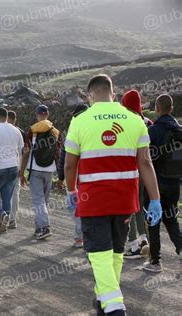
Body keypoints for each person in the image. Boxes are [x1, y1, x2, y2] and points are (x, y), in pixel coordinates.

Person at [64, 74, 161, 315]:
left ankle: (114, 306)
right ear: (113, 93)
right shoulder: (134, 120)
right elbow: (146, 163)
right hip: (125, 201)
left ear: (90, 95)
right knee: (116, 253)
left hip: (93, 201)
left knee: (98, 254)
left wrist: (71, 190)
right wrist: (156, 199)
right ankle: (101, 298)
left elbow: (69, 165)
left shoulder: (80, 121)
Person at [143, 94, 182, 273]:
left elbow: (146, 159)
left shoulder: (152, 131)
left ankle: (155, 262)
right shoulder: (179, 130)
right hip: (175, 183)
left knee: (153, 221)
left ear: (157, 109)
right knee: (171, 219)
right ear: (172, 108)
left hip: (155, 184)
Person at [20, 105, 61, 240]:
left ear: (37, 115)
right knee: (45, 200)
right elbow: (58, 153)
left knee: (38, 200)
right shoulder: (55, 132)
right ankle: (39, 227)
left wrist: (21, 173)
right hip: (50, 171)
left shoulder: (32, 131)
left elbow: (26, 153)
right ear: (47, 114)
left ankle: (44, 227)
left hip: (35, 170)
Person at [120, 90, 151, 259]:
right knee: (139, 207)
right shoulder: (147, 122)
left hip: (128, 172)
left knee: (128, 208)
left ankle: (133, 247)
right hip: (145, 171)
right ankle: (144, 239)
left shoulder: (125, 123)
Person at [57, 104, 89, 248]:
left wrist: (61, 177)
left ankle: (79, 237)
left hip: (76, 179)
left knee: (76, 208)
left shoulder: (73, 131)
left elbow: (65, 159)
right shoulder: (95, 128)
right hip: (93, 178)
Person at [7, 110, 26, 229]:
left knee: (4, 193)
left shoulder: (0, 130)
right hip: (16, 165)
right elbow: (23, 152)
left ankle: (3, 216)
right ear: (15, 119)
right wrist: (22, 169)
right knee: (15, 193)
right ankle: (13, 219)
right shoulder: (21, 132)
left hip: (4, 166)